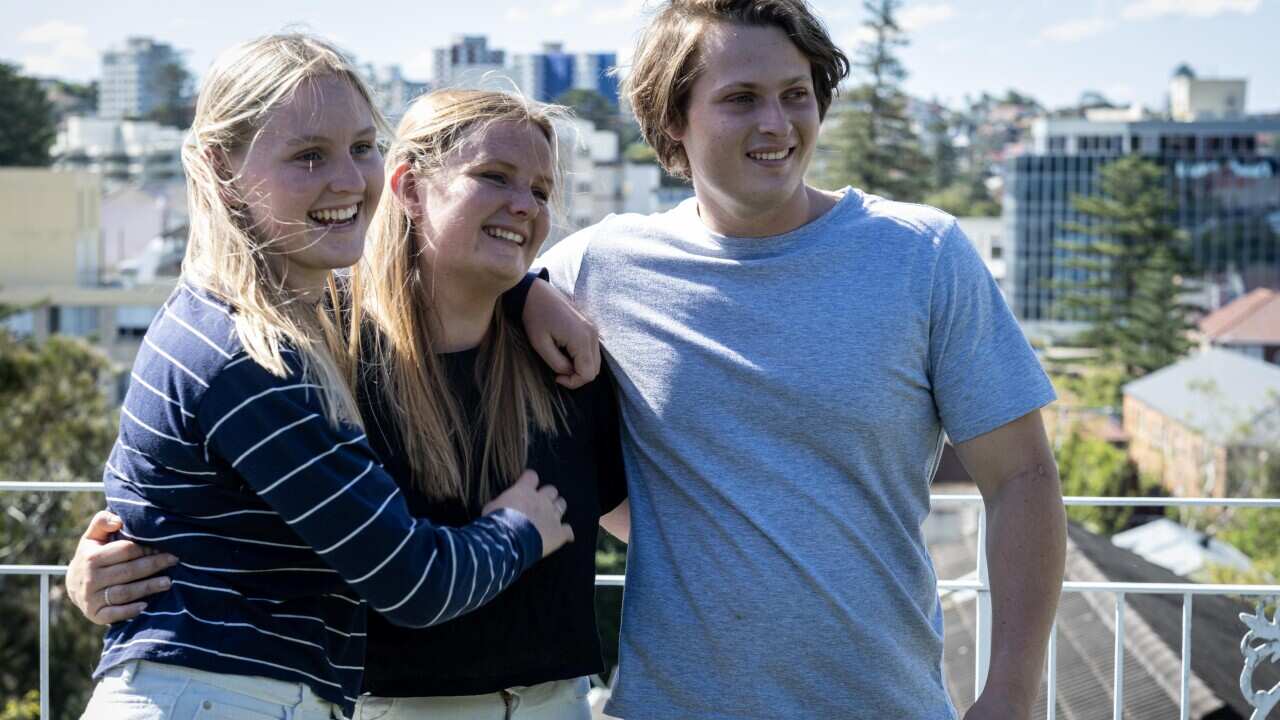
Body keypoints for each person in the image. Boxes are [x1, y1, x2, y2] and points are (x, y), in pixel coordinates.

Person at [524, 0, 1068, 717]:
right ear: (672, 125)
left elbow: (1022, 477)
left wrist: (1012, 692)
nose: (776, 124)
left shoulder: (921, 256)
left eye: (795, 95)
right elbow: (443, 304)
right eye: (741, 99)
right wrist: (519, 296)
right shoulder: (599, 268)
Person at [70, 88, 629, 720]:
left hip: (557, 704)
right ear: (410, 189)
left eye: (541, 191)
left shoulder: (565, 357)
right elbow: (193, 496)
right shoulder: (322, 349)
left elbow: (648, 520)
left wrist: (529, 290)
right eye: (493, 177)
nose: (524, 205)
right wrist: (99, 569)